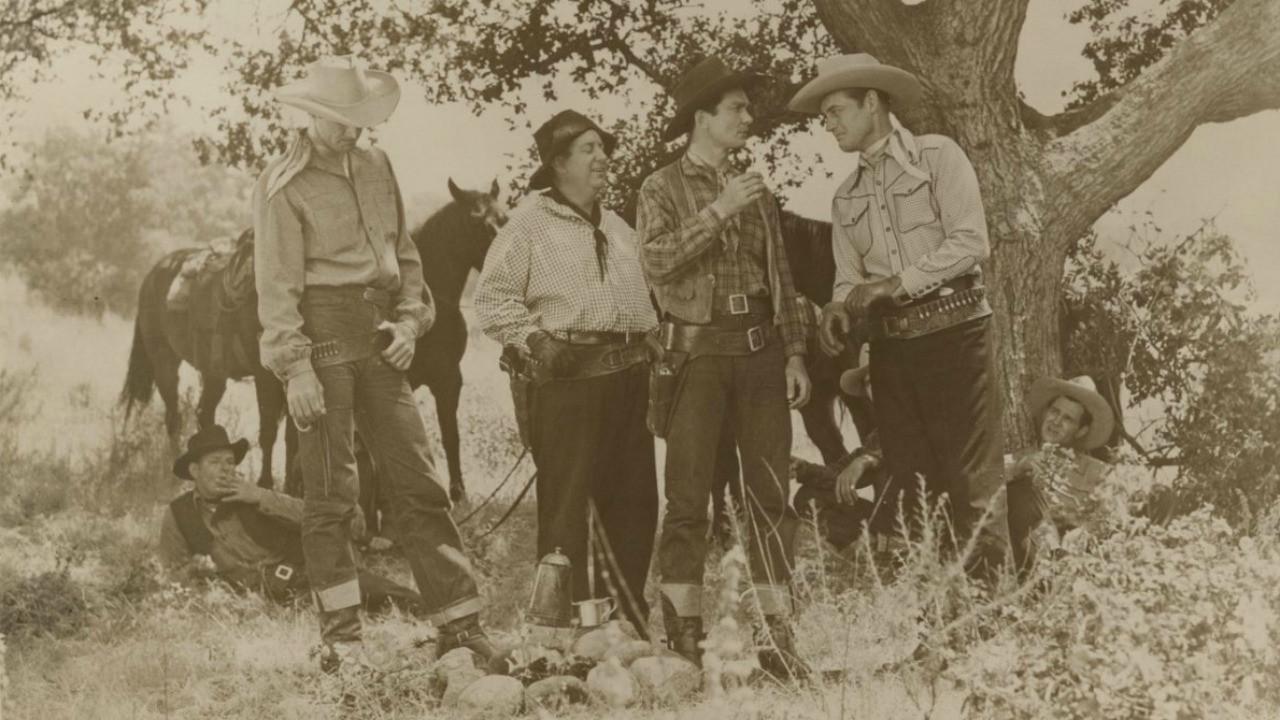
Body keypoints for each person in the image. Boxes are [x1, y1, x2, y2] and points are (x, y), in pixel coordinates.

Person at [253, 57, 495, 673]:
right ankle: (342, 641)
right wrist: (296, 368)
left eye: (358, 119)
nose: (351, 131)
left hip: (382, 340)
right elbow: (276, 288)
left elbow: (405, 258)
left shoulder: (377, 165)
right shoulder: (282, 184)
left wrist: (412, 322)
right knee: (332, 495)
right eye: (338, 120)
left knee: (419, 481)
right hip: (323, 344)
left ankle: (460, 626)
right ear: (308, 115)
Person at [789, 53, 1009, 573]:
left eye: (837, 110)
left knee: (972, 480)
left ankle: (995, 613)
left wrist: (897, 282)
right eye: (824, 117)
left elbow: (971, 241)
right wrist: (836, 308)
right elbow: (847, 277)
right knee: (910, 484)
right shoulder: (845, 198)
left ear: (872, 102)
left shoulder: (938, 157)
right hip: (890, 351)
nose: (830, 124)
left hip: (956, 337)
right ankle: (927, 616)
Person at [636, 56, 814, 679]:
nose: (748, 117)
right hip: (697, 354)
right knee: (687, 499)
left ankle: (775, 639)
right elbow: (655, 262)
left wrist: (794, 352)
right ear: (702, 118)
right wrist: (719, 211)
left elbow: (783, 277)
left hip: (762, 350)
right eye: (736, 108)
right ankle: (684, 639)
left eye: (747, 108)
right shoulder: (660, 187)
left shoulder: (756, 192)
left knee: (770, 495)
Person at [474, 110, 660, 634]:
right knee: (566, 509)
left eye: (604, 149)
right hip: (568, 382)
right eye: (588, 150)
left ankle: (624, 625)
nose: (603, 159)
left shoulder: (618, 225)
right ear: (558, 164)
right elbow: (491, 299)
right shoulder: (529, 224)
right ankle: (561, 632)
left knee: (637, 503)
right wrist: (534, 339)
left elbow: (643, 302)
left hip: (629, 381)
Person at [157, 425, 426, 615]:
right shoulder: (179, 514)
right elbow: (175, 572)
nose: (226, 469)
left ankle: (432, 611)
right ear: (194, 471)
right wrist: (215, 599)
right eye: (215, 462)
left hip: (302, 579)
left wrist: (261, 496)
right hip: (251, 598)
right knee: (335, 610)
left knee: (369, 594)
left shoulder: (253, 496)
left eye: (230, 462)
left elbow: (317, 518)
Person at [1005, 375, 1115, 570]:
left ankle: (1059, 571)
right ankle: (1053, 571)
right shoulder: (1023, 459)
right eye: (1055, 411)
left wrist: (1083, 531)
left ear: (1081, 431)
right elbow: (985, 476)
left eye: (1068, 419)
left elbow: (1114, 516)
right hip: (1028, 565)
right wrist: (1019, 467)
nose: (1056, 421)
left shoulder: (1099, 472)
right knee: (1019, 491)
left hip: (1080, 562)